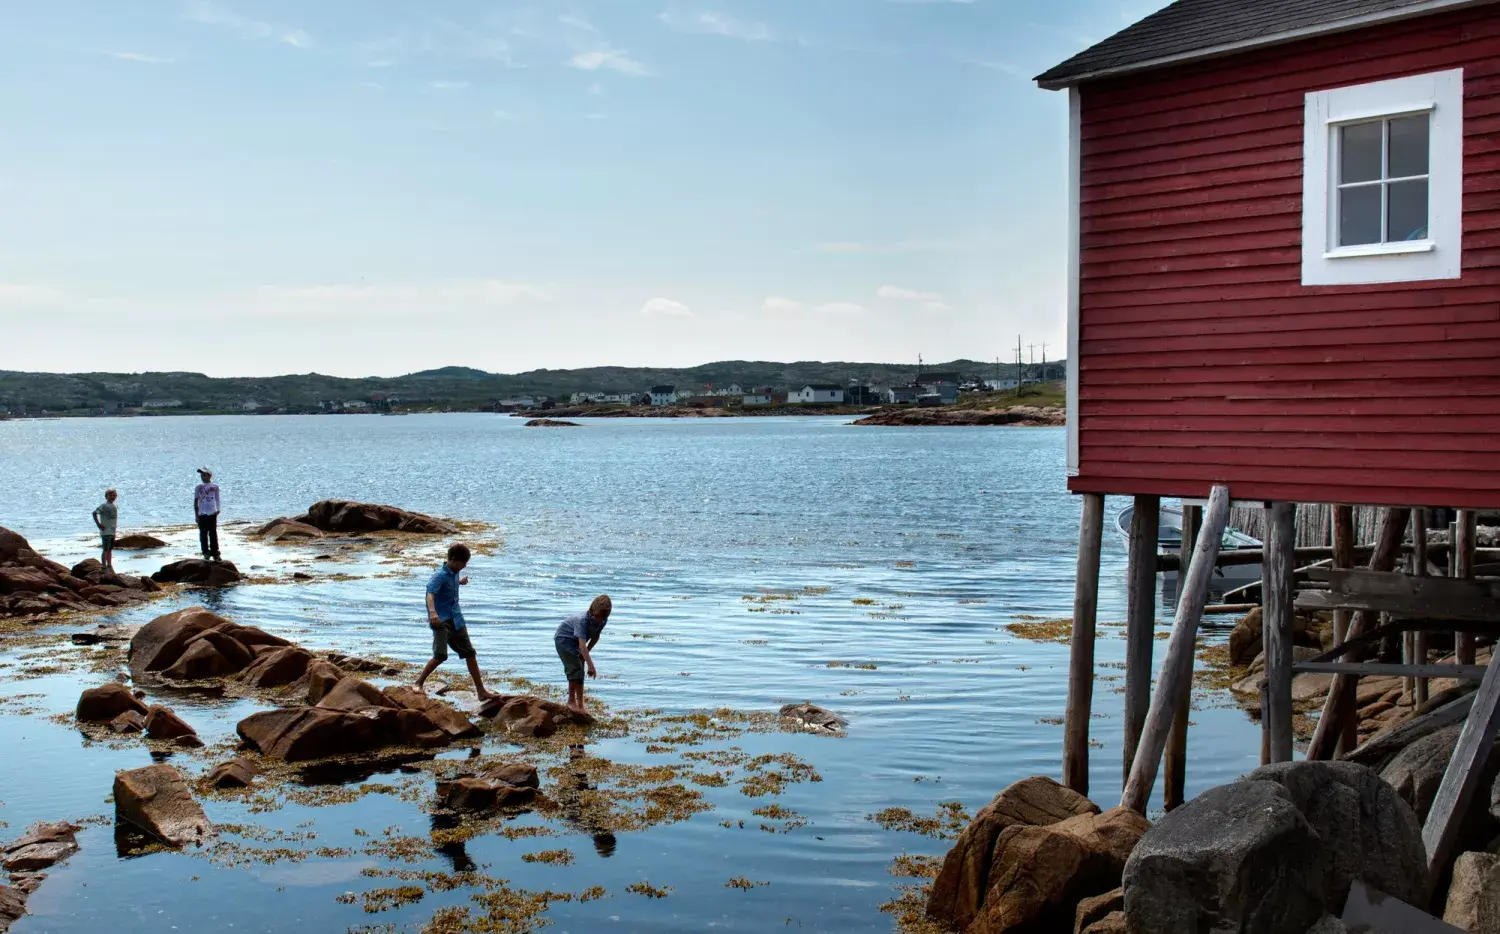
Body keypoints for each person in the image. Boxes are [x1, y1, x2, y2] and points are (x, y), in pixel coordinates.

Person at [414, 543, 494, 700]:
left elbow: (449, 585)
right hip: (440, 621)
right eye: (463, 563)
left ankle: (481, 691)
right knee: (440, 656)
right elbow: (430, 594)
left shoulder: (454, 573)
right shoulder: (439, 576)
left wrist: (459, 582)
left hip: (457, 619)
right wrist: (432, 613)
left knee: (470, 653)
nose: (464, 566)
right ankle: (418, 683)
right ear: (452, 560)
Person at [555, 595, 611, 716]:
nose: (600, 620)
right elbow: (582, 645)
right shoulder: (582, 621)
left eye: (603, 618)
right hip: (564, 641)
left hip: (578, 643)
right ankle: (571, 701)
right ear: (592, 611)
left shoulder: (603, 620)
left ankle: (580, 705)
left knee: (580, 671)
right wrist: (591, 666)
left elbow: (595, 636)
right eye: (597, 617)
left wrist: (586, 653)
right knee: (575, 669)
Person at [193, 467, 221, 561]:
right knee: (203, 534)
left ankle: (215, 553)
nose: (202, 476)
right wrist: (196, 515)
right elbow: (196, 501)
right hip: (202, 514)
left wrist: (218, 509)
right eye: (201, 475)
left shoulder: (215, 486)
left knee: (213, 533)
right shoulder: (199, 487)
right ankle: (205, 552)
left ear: (209, 475)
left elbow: (217, 499)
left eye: (204, 475)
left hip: (212, 513)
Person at [92, 488, 119, 570]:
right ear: (106, 496)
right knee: (105, 549)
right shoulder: (104, 505)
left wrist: (114, 531)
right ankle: (104, 566)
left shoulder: (115, 506)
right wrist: (98, 524)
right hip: (105, 531)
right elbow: (94, 513)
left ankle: (109, 565)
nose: (113, 497)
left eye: (114, 495)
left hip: (112, 531)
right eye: (111, 495)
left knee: (110, 549)